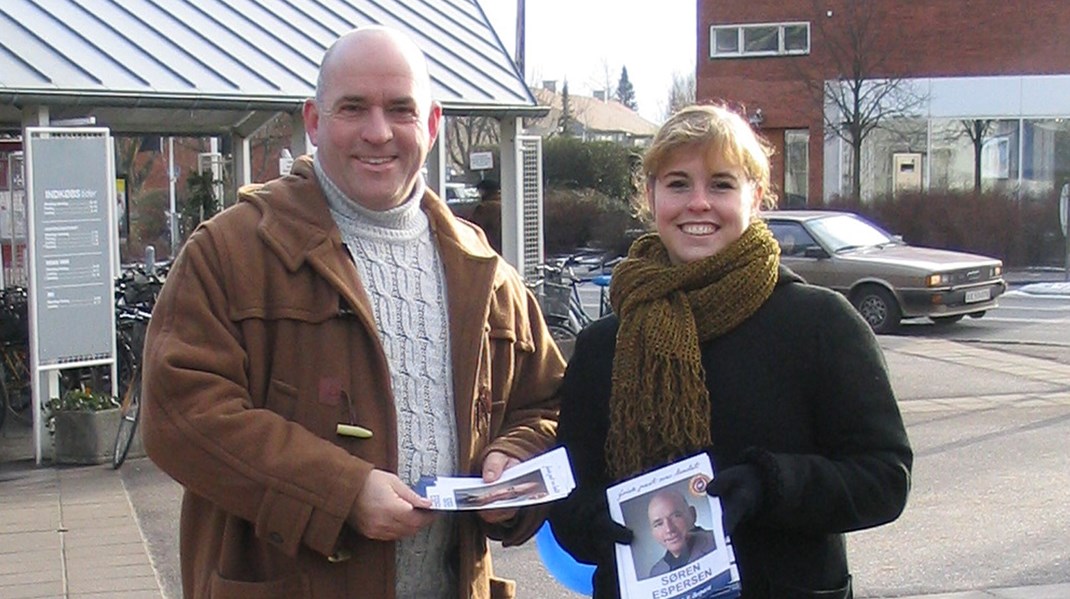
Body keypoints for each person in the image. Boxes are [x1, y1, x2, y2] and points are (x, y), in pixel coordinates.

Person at [141, 26, 566, 599]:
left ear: (433, 124)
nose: (377, 132)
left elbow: (548, 407)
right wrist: (339, 493)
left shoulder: (484, 272)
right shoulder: (229, 252)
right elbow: (181, 417)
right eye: (353, 108)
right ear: (314, 121)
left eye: (400, 109)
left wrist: (512, 463)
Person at [548, 104, 912, 599]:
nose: (698, 203)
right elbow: (569, 500)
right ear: (650, 197)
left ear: (754, 196)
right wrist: (596, 522)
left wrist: (772, 484)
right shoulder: (602, 347)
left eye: (721, 184)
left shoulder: (820, 324)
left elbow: (884, 478)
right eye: (678, 184)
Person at [645, 489, 716, 577]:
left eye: (676, 516)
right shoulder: (656, 573)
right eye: (659, 524)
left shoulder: (718, 541)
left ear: (692, 515)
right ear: (653, 532)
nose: (669, 529)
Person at [469, 178, 502, 253]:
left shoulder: (485, 208)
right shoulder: (506, 205)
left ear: (483, 191)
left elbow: (473, 227)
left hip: (489, 247)